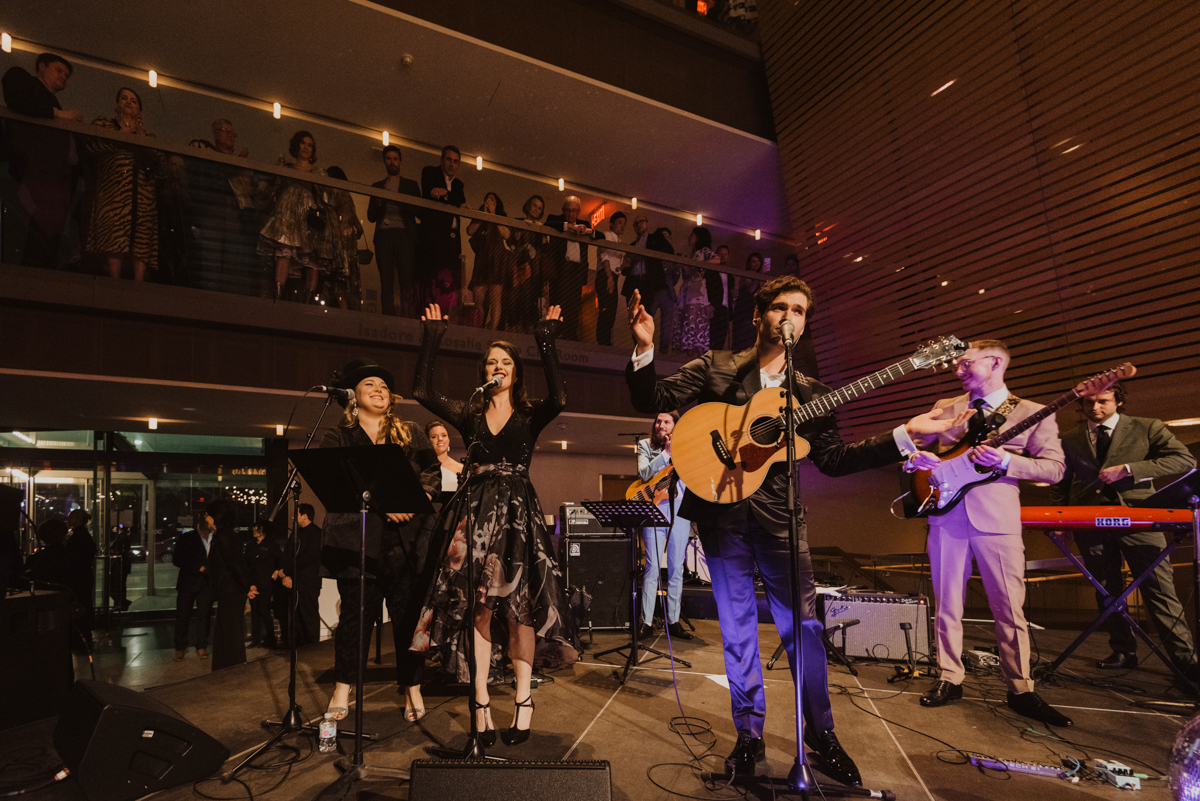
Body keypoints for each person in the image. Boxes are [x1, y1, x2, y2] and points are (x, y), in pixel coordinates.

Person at [623, 275, 967, 785]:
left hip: (782, 520)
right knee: (738, 632)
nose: (789, 317)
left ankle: (821, 734)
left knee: (804, 630)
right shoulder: (718, 366)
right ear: (759, 315)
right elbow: (652, 396)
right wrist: (645, 348)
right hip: (722, 516)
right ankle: (749, 735)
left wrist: (904, 434)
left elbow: (834, 460)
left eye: (799, 311)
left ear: (805, 324)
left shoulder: (813, 394)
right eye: (780, 307)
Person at [411, 302, 580, 747]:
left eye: (505, 362)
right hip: (477, 516)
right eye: (491, 362)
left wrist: (546, 339)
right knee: (479, 609)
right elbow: (421, 391)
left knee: (521, 612)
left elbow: (561, 398)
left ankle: (524, 699)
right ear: (483, 371)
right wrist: (433, 336)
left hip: (518, 518)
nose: (498, 367)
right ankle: (481, 701)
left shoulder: (529, 415)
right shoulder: (470, 413)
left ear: (516, 373)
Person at [901, 340, 1072, 726]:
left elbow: (1055, 469)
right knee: (946, 604)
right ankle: (949, 677)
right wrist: (917, 460)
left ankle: (1021, 688)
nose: (957, 369)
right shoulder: (946, 407)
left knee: (1009, 608)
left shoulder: (1031, 412)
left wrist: (1008, 461)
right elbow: (914, 451)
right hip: (945, 515)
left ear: (995, 362)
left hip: (998, 521)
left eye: (966, 363)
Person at [320, 358, 441, 722]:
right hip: (358, 542)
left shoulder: (411, 432)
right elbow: (337, 485)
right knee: (355, 620)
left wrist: (415, 499)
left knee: (408, 621)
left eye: (384, 386)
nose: (379, 390)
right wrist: (384, 504)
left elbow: (432, 471)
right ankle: (343, 687)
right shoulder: (338, 436)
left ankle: (413, 687)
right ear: (353, 396)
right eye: (369, 384)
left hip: (407, 543)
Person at [1049, 385, 1198, 677]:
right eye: (1088, 402)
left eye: (1102, 401)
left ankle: (1186, 661)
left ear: (1118, 401)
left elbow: (1185, 460)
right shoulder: (1068, 438)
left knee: (1159, 589)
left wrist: (1130, 469)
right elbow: (1060, 483)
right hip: (1089, 520)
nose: (1095, 407)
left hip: (1140, 517)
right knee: (1106, 589)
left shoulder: (1147, 427)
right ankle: (1123, 650)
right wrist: (1059, 521)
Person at [2, 52, 83, 270]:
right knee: (32, 231)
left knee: (48, 236)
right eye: (59, 70)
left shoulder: (54, 106)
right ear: (41, 67)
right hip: (33, 175)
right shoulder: (22, 79)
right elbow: (16, 99)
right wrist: (58, 115)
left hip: (56, 182)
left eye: (66, 75)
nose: (63, 77)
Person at [85, 88, 158, 281]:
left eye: (133, 100)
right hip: (113, 194)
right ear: (117, 104)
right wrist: (122, 135)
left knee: (142, 236)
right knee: (114, 234)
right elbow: (91, 146)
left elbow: (159, 165)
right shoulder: (104, 125)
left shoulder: (149, 137)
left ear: (139, 110)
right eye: (124, 98)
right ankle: (113, 280)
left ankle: (139, 283)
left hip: (142, 197)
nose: (128, 102)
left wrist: (141, 141)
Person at [187, 119, 262, 296]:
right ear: (215, 134)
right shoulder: (208, 156)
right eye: (225, 131)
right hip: (213, 215)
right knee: (211, 262)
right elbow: (212, 180)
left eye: (232, 132)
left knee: (233, 264)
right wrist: (238, 164)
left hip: (237, 220)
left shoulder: (244, 166)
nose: (229, 135)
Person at [258, 130, 335, 302]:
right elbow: (274, 191)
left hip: (309, 218)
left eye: (310, 145)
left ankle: (308, 299)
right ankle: (278, 295)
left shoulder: (318, 172)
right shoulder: (285, 169)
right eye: (303, 143)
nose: (306, 147)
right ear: (296, 145)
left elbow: (327, 197)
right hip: (287, 216)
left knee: (312, 257)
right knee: (284, 251)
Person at [636, 413, 693, 640]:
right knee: (652, 566)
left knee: (677, 567)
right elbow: (643, 474)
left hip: (680, 509)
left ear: (675, 426)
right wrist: (666, 454)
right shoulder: (646, 446)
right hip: (654, 508)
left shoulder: (686, 446)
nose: (661, 425)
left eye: (666, 422)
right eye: (658, 421)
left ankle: (673, 620)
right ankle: (646, 621)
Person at [367, 145, 421, 317]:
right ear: (384, 161)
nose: (392, 162)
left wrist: (400, 201)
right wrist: (380, 202)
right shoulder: (377, 186)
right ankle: (388, 320)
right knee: (386, 281)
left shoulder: (410, 185)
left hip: (404, 234)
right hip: (384, 235)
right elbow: (370, 216)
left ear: (400, 162)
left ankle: (407, 318)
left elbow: (420, 211)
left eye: (395, 159)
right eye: (389, 159)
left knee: (406, 281)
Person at [207, 498, 255, 670]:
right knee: (226, 629)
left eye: (208, 515)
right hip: (230, 589)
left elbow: (235, 564)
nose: (206, 518)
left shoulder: (223, 536)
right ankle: (225, 666)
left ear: (216, 516)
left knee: (230, 631)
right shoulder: (225, 535)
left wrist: (247, 586)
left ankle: (233, 667)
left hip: (231, 589)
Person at [418, 145, 467, 307]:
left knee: (449, 283)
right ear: (442, 160)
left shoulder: (458, 184)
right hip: (434, 239)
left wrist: (445, 193)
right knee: (431, 281)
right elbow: (429, 192)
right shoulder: (430, 172)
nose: (452, 164)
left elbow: (460, 199)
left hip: (451, 242)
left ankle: (446, 314)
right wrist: (449, 197)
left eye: (455, 161)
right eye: (449, 159)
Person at [544, 196, 597, 341]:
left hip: (577, 269)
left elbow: (597, 234)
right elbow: (547, 223)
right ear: (563, 210)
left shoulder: (584, 224)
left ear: (579, 211)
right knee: (560, 300)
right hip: (561, 267)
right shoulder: (555, 219)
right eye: (568, 210)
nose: (571, 214)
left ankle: (571, 335)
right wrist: (570, 227)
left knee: (574, 303)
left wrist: (585, 230)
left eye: (574, 211)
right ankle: (557, 333)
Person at [466, 193, 514, 330]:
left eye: (492, 199)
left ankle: (493, 330)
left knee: (495, 297)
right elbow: (470, 231)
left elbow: (507, 234)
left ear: (496, 203)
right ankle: (478, 327)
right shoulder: (479, 216)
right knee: (478, 298)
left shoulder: (501, 217)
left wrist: (493, 215)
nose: (488, 201)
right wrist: (483, 216)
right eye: (487, 199)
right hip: (481, 260)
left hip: (496, 261)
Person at [172, 511, 216, 660]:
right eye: (210, 522)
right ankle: (180, 647)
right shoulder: (187, 537)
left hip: (207, 582)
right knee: (183, 615)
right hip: (188, 582)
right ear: (203, 522)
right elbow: (177, 559)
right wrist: (197, 567)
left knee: (204, 615)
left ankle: (201, 646)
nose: (212, 524)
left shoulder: (215, 539)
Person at [502, 195, 547, 334]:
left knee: (529, 304)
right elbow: (510, 243)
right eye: (534, 205)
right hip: (516, 270)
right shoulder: (517, 222)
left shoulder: (540, 228)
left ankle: (527, 339)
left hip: (533, 274)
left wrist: (542, 232)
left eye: (539, 208)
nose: (536, 209)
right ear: (528, 205)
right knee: (513, 302)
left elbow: (545, 249)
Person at [324, 165, 365, 309]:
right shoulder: (347, 195)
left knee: (338, 277)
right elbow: (357, 224)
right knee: (347, 278)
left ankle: (342, 309)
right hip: (348, 240)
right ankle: (346, 310)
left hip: (338, 239)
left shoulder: (334, 193)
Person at [284, 503, 323, 647]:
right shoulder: (296, 533)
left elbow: (308, 558)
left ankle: (313, 648)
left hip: (309, 583)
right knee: (296, 619)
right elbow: (287, 554)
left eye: (296, 514)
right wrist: (285, 574)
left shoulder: (316, 533)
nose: (293, 517)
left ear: (305, 516)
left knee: (309, 616)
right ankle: (298, 648)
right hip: (294, 581)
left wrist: (287, 571)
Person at [246, 519, 282, 648]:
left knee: (264, 609)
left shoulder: (272, 546)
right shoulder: (250, 546)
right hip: (253, 582)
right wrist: (250, 584)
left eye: (258, 528)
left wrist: (277, 571)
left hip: (267, 582)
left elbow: (281, 560)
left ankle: (271, 637)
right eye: (254, 527)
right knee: (255, 611)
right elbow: (246, 565)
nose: (254, 530)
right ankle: (256, 638)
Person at [65, 509, 96, 652]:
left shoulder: (77, 537)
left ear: (78, 519)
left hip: (78, 577)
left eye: (71, 517)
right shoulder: (84, 535)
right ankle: (85, 635)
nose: (68, 519)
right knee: (85, 603)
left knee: (80, 605)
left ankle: (80, 637)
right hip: (84, 576)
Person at [595, 212, 628, 346]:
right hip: (605, 274)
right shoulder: (607, 235)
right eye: (619, 223)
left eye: (624, 224)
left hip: (613, 275)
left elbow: (617, 267)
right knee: (606, 309)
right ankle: (603, 342)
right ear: (611, 224)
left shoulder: (620, 242)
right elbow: (605, 256)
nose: (622, 226)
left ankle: (605, 342)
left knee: (611, 311)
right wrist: (609, 277)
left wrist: (623, 266)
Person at [731, 252, 765, 351]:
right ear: (749, 263)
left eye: (758, 261)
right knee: (743, 336)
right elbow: (750, 289)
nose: (756, 263)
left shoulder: (760, 277)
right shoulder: (746, 274)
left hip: (754, 308)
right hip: (744, 308)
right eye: (753, 261)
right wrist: (760, 276)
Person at [426, 420, 464, 503]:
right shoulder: (424, 469)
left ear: (448, 439)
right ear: (428, 441)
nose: (440, 439)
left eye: (444, 435)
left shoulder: (461, 468)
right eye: (434, 437)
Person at [706, 244, 732, 350]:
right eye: (720, 254)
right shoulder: (711, 271)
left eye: (725, 254)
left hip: (725, 310)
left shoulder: (730, 275)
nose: (723, 256)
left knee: (720, 341)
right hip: (714, 308)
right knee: (710, 338)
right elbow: (705, 288)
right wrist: (708, 304)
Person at [107, 525, 132, 610]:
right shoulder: (121, 537)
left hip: (119, 564)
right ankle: (122, 603)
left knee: (116, 585)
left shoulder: (122, 537)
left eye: (114, 527)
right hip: (120, 564)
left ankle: (121, 603)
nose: (112, 528)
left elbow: (122, 550)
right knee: (119, 585)